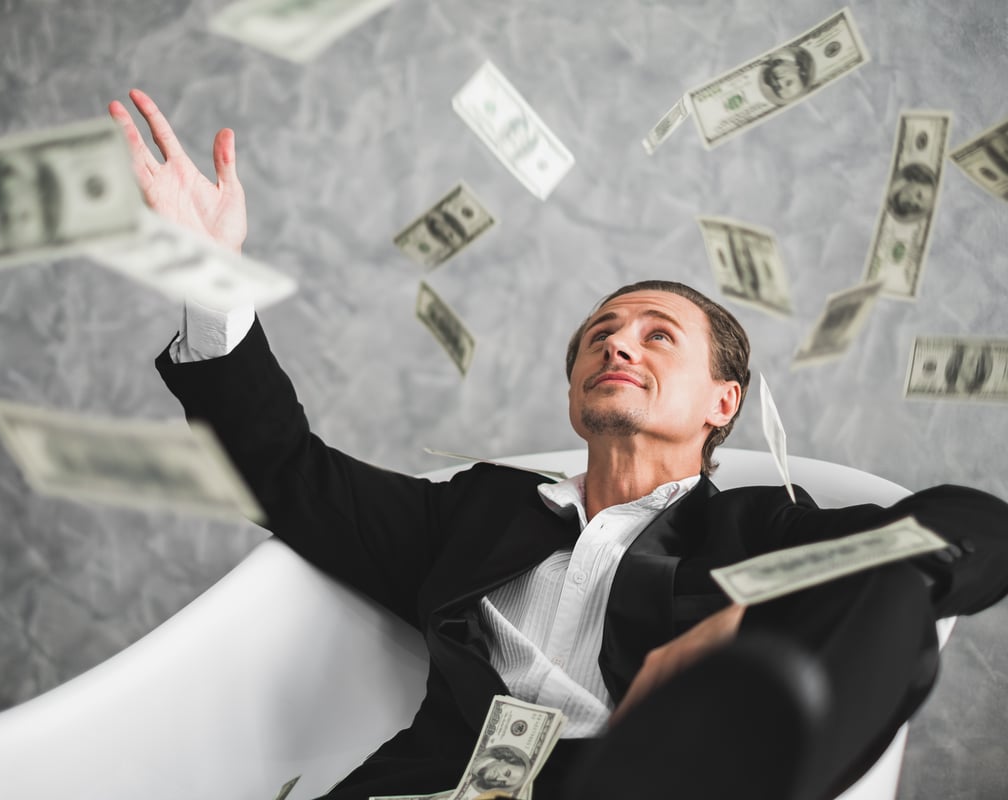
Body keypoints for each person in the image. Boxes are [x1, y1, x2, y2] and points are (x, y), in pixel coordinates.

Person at [108, 89, 1008, 800]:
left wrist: (755, 620)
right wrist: (209, 278)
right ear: (576, 386)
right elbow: (279, 472)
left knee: (895, 571)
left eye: (659, 335)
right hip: (435, 792)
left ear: (723, 400)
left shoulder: (761, 534)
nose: (618, 343)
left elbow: (980, 527)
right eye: (601, 334)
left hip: (662, 777)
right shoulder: (471, 512)